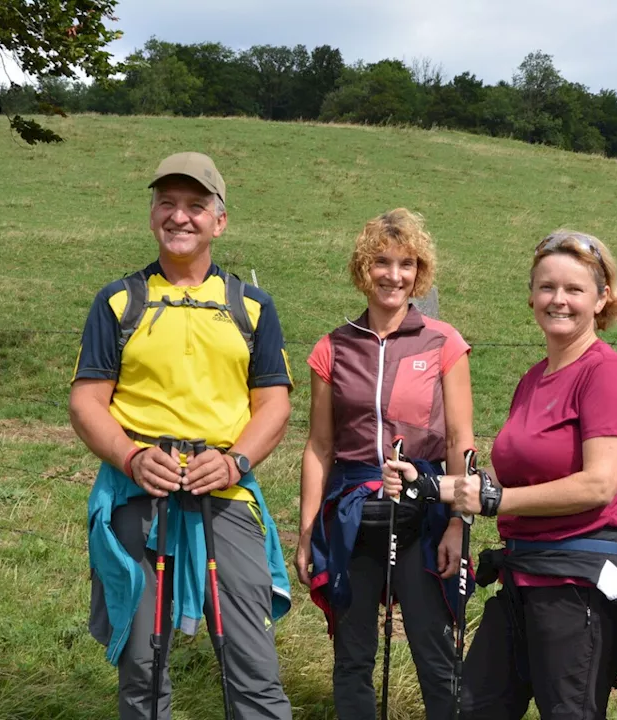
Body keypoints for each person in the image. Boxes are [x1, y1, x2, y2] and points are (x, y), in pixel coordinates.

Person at [384, 230, 617, 720]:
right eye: (547, 287)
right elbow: (516, 479)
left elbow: (599, 485)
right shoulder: (533, 378)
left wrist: (491, 500)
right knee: (474, 709)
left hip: (579, 583)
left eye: (574, 289)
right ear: (531, 296)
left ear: (602, 297)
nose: (559, 300)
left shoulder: (606, 375)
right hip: (522, 577)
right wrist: (428, 483)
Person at [70, 151, 295, 720]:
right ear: (152, 215)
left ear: (220, 221)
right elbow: (87, 401)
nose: (180, 217)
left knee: (253, 665)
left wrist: (235, 463)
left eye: (196, 206)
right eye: (167, 204)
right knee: (142, 671)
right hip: (137, 493)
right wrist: (130, 455)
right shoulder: (119, 301)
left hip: (225, 492)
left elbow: (273, 404)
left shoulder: (251, 305)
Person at [293, 208, 474, 720]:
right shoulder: (332, 347)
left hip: (426, 505)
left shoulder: (443, 342)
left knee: (436, 655)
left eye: (407, 263)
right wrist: (307, 532)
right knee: (352, 658)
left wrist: (458, 524)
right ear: (362, 268)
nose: (394, 275)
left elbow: (461, 438)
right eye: (382, 262)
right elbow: (319, 447)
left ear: (420, 273)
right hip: (351, 509)